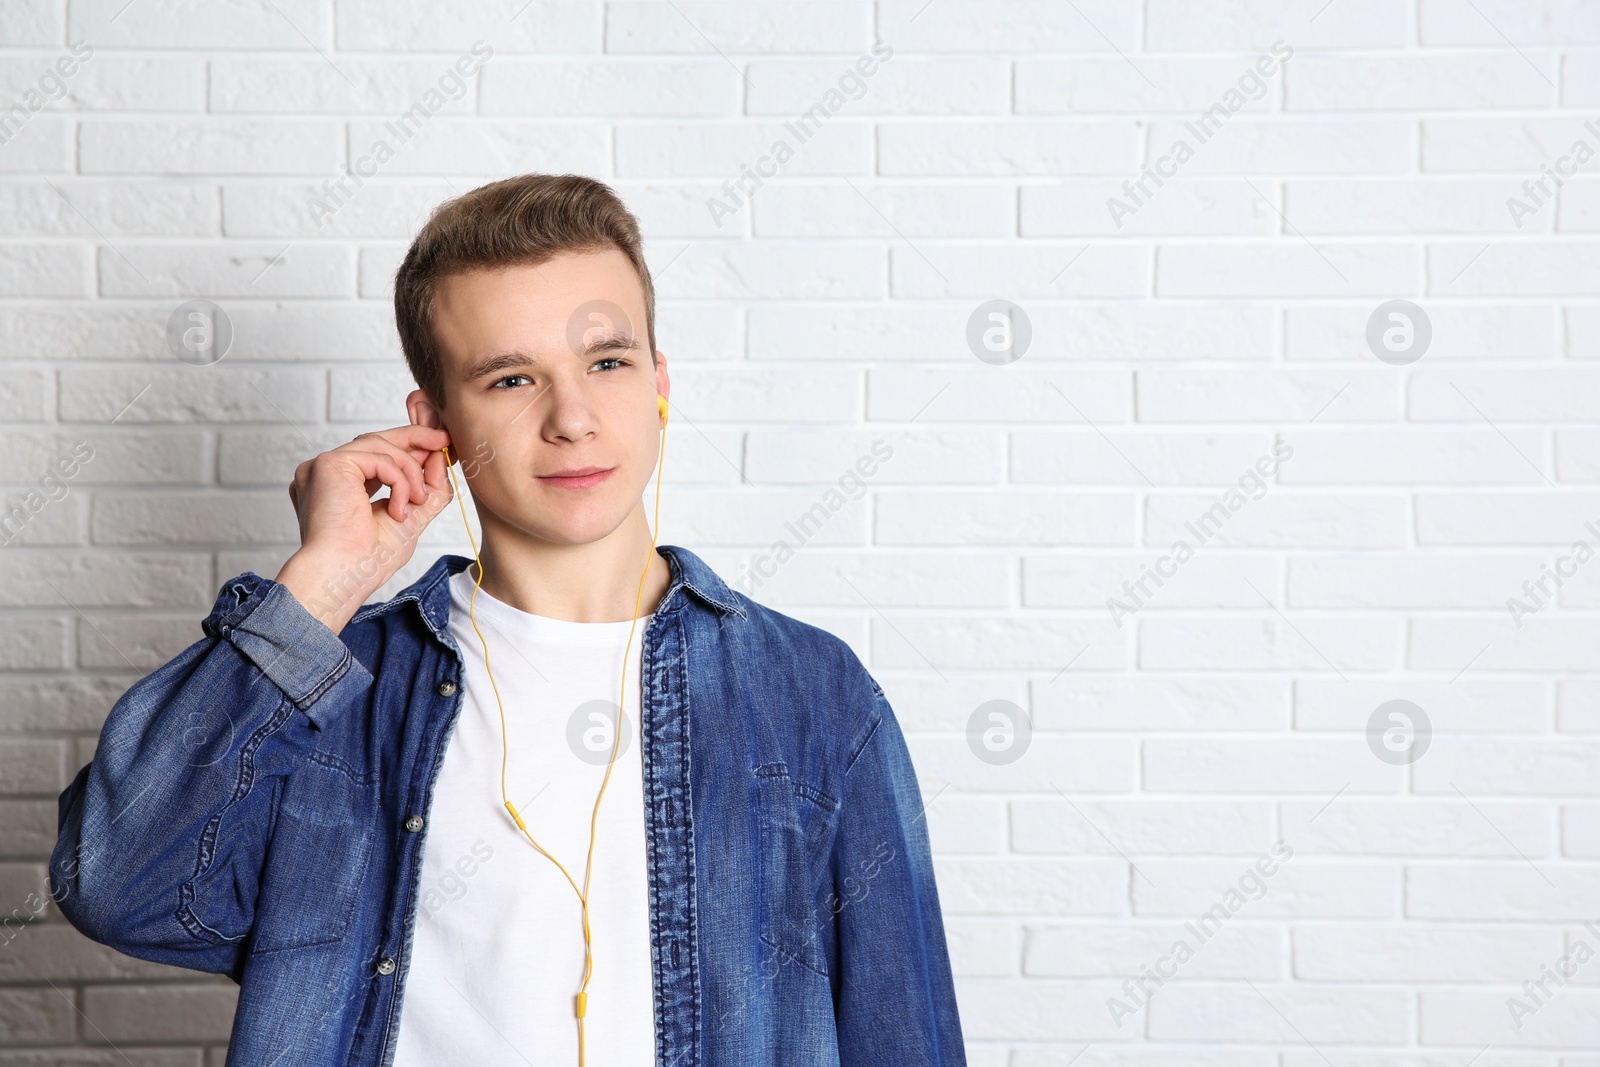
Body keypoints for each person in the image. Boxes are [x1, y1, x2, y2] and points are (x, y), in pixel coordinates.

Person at [49, 173, 967, 1066]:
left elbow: (904, 1034)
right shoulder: (342, 687)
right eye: (511, 379)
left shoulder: (810, 691)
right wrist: (324, 584)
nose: (572, 416)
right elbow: (117, 884)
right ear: (433, 420)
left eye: (608, 361)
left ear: (660, 382)